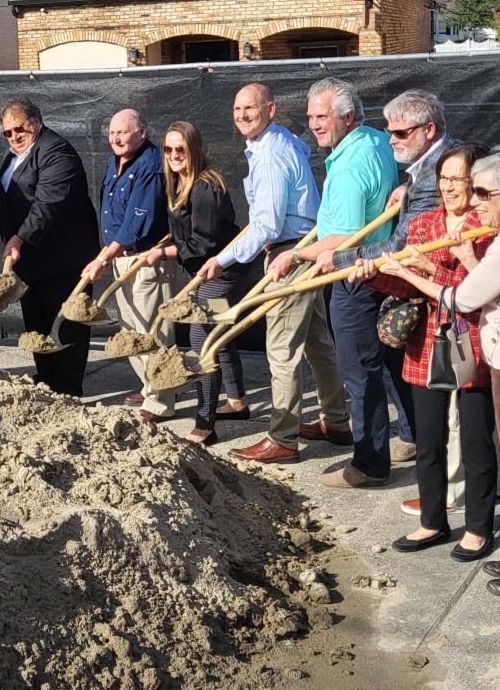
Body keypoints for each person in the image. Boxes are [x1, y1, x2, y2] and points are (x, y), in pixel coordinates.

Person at [380, 145, 500, 597]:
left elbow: (462, 300)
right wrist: (461, 258)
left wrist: (408, 272)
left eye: (483, 191)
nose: (474, 199)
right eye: (473, 190)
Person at [354, 143, 496, 560]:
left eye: (459, 179)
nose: (449, 187)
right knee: (429, 439)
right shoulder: (423, 224)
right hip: (426, 342)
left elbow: (479, 290)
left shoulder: (485, 226)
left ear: (476, 183)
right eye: (444, 179)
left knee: (475, 440)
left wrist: (433, 268)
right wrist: (376, 277)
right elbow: (404, 286)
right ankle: (432, 521)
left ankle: (478, 528)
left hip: (473, 343)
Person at [268, 77, 398, 488]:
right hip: (379, 269)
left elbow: (343, 236)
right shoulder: (375, 140)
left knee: (359, 372)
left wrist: (294, 254)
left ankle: (369, 463)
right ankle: (407, 437)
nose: (314, 124)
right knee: (384, 365)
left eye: (322, 116)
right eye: (310, 116)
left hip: (353, 274)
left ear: (346, 115)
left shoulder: (350, 164)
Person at [208, 83, 347, 465]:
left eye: (250, 108)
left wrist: (223, 259)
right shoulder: (279, 142)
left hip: (291, 254)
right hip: (303, 248)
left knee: (282, 350)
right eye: (237, 109)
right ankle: (336, 421)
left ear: (270, 109)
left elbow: (267, 224)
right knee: (319, 344)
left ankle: (282, 437)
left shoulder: (271, 154)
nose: (242, 115)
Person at [324, 90, 457, 464]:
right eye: (389, 132)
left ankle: (397, 470)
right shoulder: (428, 170)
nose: (391, 140)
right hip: (425, 286)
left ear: (429, 130)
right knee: (409, 374)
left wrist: (338, 258)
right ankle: (430, 461)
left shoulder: (435, 177)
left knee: (443, 394)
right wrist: (408, 189)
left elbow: (401, 245)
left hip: (440, 293)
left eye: (400, 133)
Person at [142, 121, 243, 439]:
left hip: (220, 275)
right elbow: (186, 230)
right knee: (220, 335)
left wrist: (164, 253)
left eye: (180, 149)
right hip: (204, 272)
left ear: (194, 149)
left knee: (203, 344)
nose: (173, 155)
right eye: (168, 149)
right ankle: (238, 401)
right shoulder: (179, 182)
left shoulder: (204, 186)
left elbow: (204, 242)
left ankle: (204, 424)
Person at [0, 98, 98, 396]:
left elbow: (47, 204)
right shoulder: (13, 155)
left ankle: (68, 389)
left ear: (36, 121)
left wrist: (19, 238)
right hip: (30, 262)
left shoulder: (56, 151)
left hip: (62, 260)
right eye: (7, 133)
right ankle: (48, 380)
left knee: (65, 326)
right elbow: (6, 200)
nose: (14, 136)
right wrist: (10, 239)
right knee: (38, 326)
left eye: (19, 128)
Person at [82, 109, 175, 399]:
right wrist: (108, 255)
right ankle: (149, 386)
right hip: (119, 258)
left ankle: (161, 399)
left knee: (152, 331)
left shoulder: (151, 165)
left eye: (122, 132)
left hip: (145, 260)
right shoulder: (114, 162)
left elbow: (137, 222)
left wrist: (102, 259)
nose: (115, 138)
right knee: (131, 328)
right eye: (111, 133)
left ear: (142, 132)